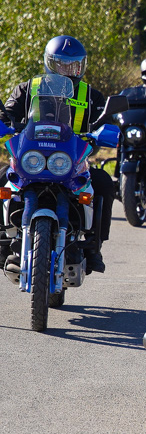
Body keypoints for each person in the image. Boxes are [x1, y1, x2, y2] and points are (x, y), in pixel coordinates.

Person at [0, 35, 113, 273]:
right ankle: (4, 244)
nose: (69, 69)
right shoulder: (28, 88)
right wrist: (4, 123)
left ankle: (94, 247)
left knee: (103, 182)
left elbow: (107, 121)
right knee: (2, 178)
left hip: (71, 161)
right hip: (31, 158)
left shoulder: (92, 96)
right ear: (50, 63)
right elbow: (8, 113)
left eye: (75, 64)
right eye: (62, 63)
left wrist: (106, 132)